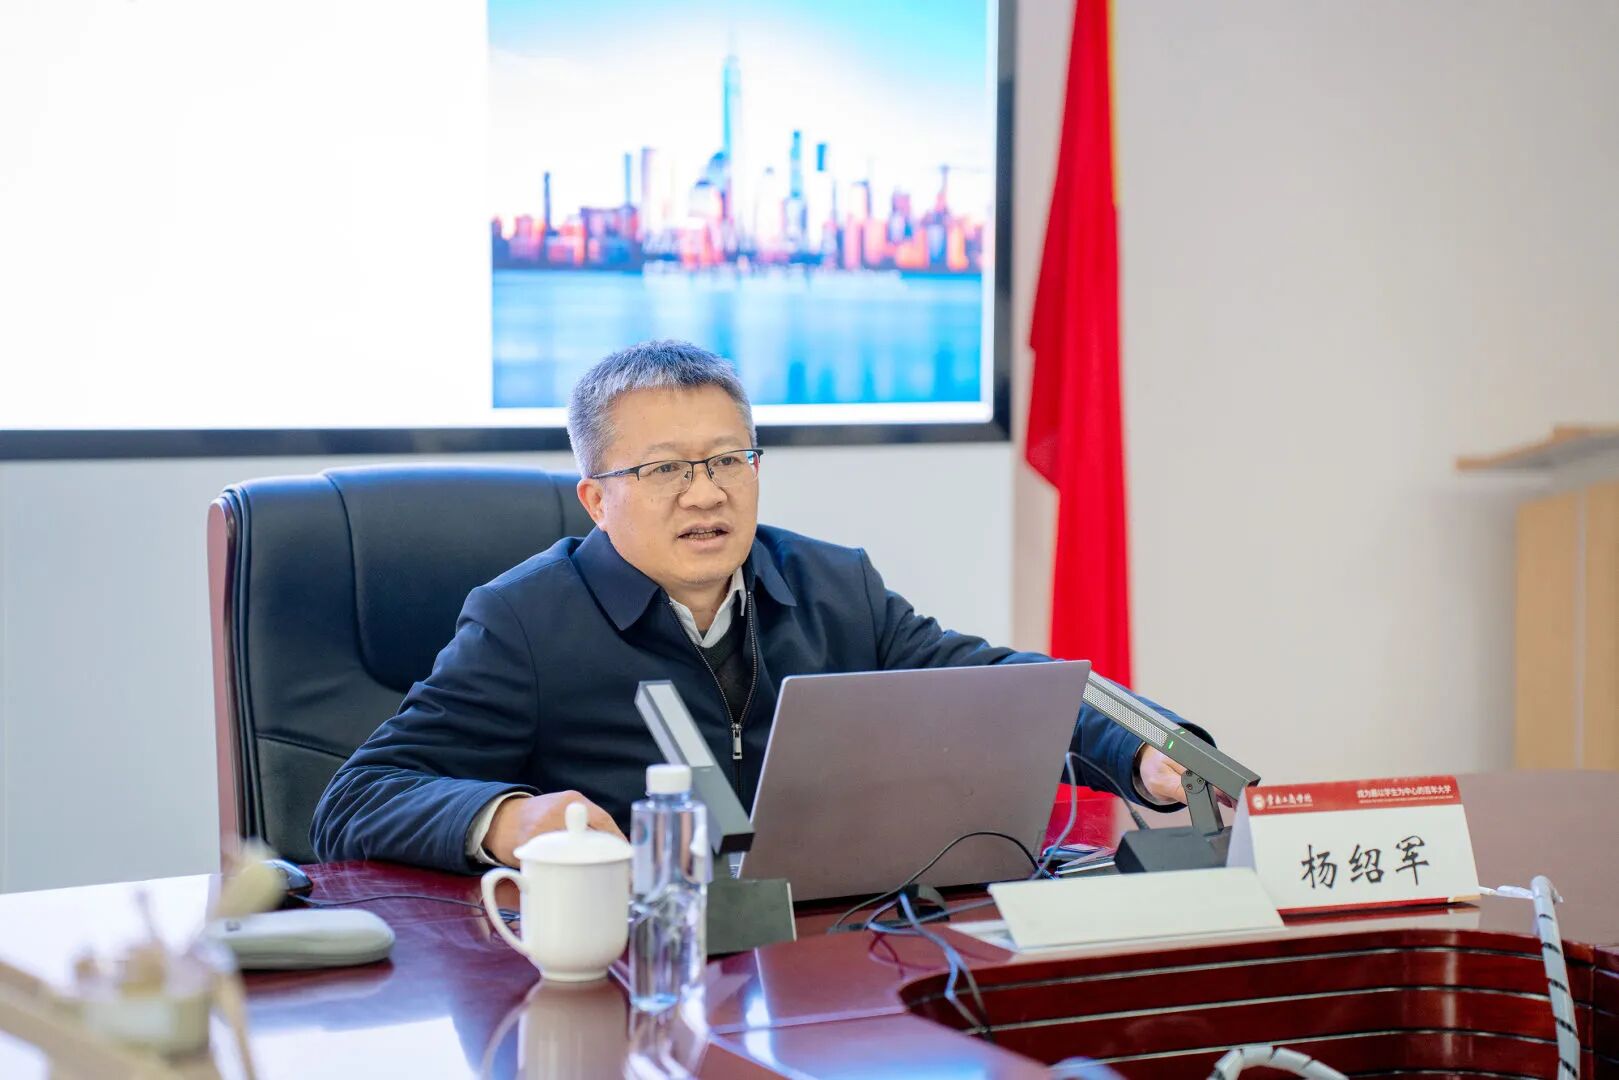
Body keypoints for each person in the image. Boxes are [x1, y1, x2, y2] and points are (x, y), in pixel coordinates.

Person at [310, 340, 1200, 872]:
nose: (705, 493)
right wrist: (511, 821)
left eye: (728, 460)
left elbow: (997, 687)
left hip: (825, 951)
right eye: (664, 469)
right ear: (595, 499)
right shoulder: (526, 621)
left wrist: (1144, 751)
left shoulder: (831, 586)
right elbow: (356, 798)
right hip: (641, 965)